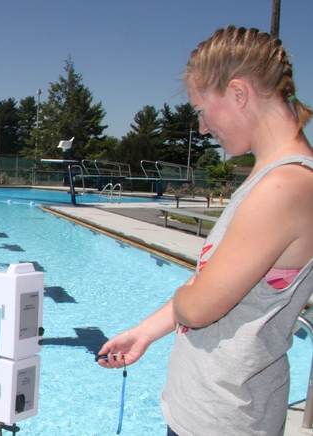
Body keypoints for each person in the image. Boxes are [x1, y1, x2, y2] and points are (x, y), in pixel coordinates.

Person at [98, 26, 313, 436]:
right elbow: (208, 283)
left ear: (238, 93)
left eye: (200, 109)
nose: (201, 128)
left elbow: (199, 306)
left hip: (226, 420)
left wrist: (192, 293)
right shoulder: (267, 179)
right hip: (210, 411)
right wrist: (145, 333)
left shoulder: (284, 187)